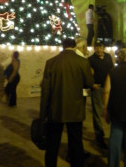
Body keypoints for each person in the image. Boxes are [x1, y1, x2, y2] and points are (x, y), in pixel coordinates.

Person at [40, 37, 94, 167]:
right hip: (75, 108)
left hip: (56, 108)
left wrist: (43, 113)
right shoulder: (82, 62)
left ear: (62, 46)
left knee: (52, 143)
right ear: (74, 46)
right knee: (76, 142)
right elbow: (89, 83)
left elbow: (45, 90)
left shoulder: (51, 62)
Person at [88, 39, 114, 148]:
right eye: (96, 47)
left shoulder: (108, 57)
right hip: (97, 89)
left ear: (104, 48)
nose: (98, 49)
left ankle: (114, 135)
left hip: (109, 88)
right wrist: (92, 84)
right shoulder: (90, 59)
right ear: (94, 49)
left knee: (112, 110)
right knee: (97, 113)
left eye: (100, 47)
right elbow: (88, 73)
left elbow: (112, 70)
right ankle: (99, 136)